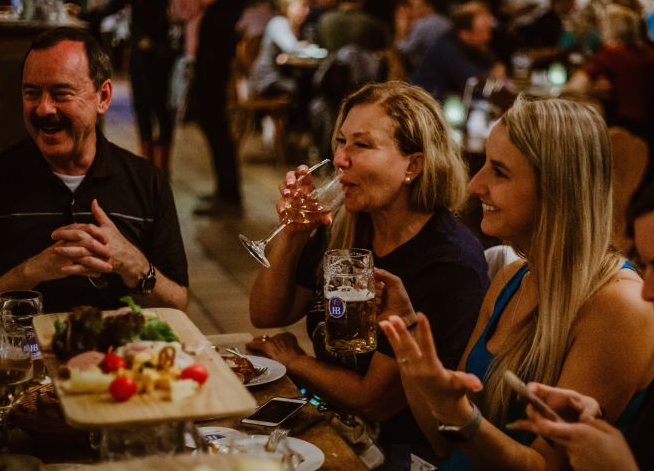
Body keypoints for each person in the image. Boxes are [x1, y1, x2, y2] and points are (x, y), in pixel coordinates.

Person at [378, 95, 654, 470]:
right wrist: (410, 349)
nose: (475, 185)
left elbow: (544, 465)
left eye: (499, 171)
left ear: (558, 190)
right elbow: (446, 442)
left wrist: (460, 415)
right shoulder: (511, 278)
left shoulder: (619, 306)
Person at [247, 81, 489, 468]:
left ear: (413, 164)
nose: (341, 159)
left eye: (361, 145)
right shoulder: (346, 222)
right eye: (340, 142)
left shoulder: (448, 262)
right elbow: (266, 313)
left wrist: (295, 361)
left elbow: (374, 400)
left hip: (400, 451)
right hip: (333, 422)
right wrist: (293, 235)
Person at [0, 27, 189, 347]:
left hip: (120, 377)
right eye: (32, 93)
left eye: (61, 93)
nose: (43, 109)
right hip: (19, 375)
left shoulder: (147, 181)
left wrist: (133, 264)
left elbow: (178, 306)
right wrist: (31, 273)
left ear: (103, 97)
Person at [505, 181, 654, 471]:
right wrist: (595, 422)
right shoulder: (513, 278)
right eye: (645, 265)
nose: (647, 292)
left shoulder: (623, 305)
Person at [81, 0, 180, 172]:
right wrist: (81, 14)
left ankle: (162, 168)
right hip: (141, 55)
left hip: (160, 54)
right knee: (143, 108)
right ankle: (150, 166)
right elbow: (112, 7)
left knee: (160, 108)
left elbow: (172, 16)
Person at [565, 3, 654, 183]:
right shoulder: (649, 54)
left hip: (625, 132)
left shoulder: (611, 54)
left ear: (612, 28)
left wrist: (591, 89)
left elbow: (573, 88)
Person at [188, 0, 251, 216]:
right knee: (212, 122)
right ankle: (225, 190)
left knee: (215, 123)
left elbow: (199, 1)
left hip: (215, 57)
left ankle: (229, 196)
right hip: (212, 55)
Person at [412, 1, 505, 102]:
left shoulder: (468, 44)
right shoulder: (446, 49)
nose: (488, 37)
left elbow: (491, 64)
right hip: (428, 105)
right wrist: (492, 76)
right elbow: (474, 84)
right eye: (483, 32)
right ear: (465, 34)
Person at [250, 0, 310, 98]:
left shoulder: (298, 27)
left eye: (307, 7)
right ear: (288, 7)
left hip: (284, 76)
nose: (306, 11)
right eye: (302, 7)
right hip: (267, 79)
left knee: (308, 84)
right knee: (302, 89)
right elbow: (292, 48)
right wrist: (301, 46)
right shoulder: (278, 23)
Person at [317, 0, 391, 53]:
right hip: (361, 69)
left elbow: (318, 47)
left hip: (329, 69)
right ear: (361, 0)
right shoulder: (371, 23)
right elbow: (387, 47)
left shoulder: (324, 19)